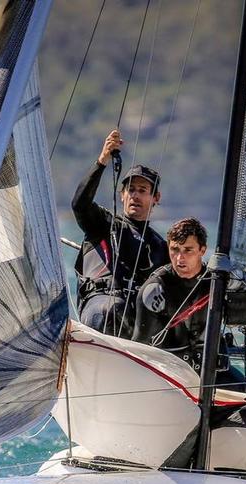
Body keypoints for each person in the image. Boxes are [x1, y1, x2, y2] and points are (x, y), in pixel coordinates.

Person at [72, 129, 168, 337]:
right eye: (131, 190)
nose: (135, 195)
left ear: (155, 198)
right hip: (101, 305)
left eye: (142, 191)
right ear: (122, 195)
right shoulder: (103, 223)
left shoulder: (160, 246)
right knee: (113, 310)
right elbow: (80, 204)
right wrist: (102, 161)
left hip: (137, 317)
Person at [132, 217, 211, 370]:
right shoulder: (154, 290)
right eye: (175, 250)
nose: (180, 258)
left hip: (208, 368)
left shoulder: (216, 282)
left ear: (202, 250)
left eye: (188, 250)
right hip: (169, 371)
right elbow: (139, 348)